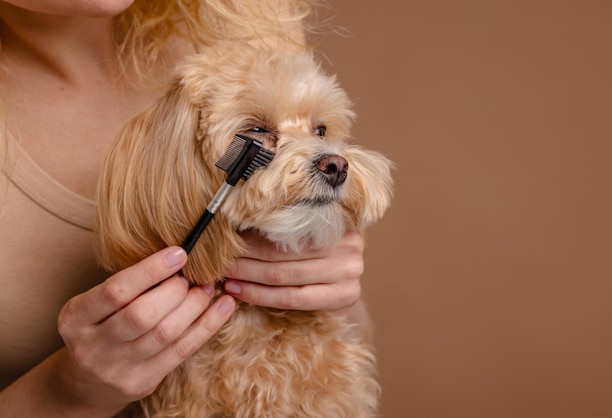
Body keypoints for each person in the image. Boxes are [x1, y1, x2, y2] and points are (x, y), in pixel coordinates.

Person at [0, 1, 373, 416]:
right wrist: (67, 393)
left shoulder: (251, 21)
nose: (325, 154)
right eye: (258, 132)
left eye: (320, 130)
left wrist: (330, 293)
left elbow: (353, 344)